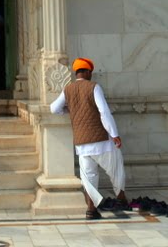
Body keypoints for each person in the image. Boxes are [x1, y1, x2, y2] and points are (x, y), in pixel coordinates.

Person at [50, 57, 127, 220]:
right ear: (86, 72)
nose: (91, 75)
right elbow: (104, 112)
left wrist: (68, 111)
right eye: (90, 72)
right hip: (101, 141)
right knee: (116, 168)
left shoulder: (68, 89)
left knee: (89, 178)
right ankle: (121, 200)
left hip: (82, 144)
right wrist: (114, 134)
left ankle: (91, 211)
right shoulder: (94, 87)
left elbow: (54, 108)